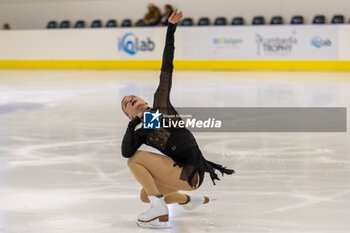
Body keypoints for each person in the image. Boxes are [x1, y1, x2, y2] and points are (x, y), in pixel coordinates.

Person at [121, 9, 234, 228]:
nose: (131, 98)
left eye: (133, 96)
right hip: (186, 179)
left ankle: (159, 209)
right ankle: (189, 201)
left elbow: (166, 67)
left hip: (192, 173)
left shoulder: (161, 107)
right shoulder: (144, 131)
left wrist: (171, 29)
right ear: (129, 114)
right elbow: (126, 148)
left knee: (135, 161)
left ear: (144, 100)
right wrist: (134, 124)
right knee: (145, 194)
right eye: (126, 103)